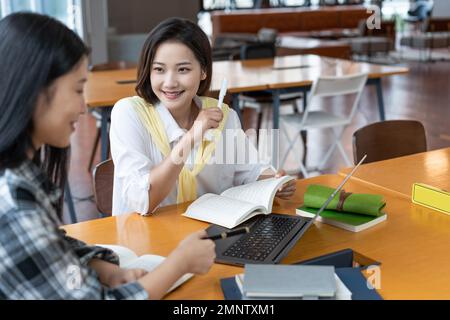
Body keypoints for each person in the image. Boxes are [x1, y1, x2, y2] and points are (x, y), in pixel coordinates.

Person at [0, 12, 215, 300]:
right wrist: (177, 265)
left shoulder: (21, 173)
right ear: (34, 90)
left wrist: (105, 268)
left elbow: (53, 247)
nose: (83, 107)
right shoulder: (12, 202)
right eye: (78, 90)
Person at [110, 17, 296, 216]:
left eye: (183, 69)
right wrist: (193, 135)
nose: (170, 82)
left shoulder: (224, 116)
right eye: (159, 70)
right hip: (145, 240)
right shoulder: (129, 113)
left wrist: (274, 181)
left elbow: (249, 172)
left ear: (203, 71)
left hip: (209, 236)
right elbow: (143, 202)